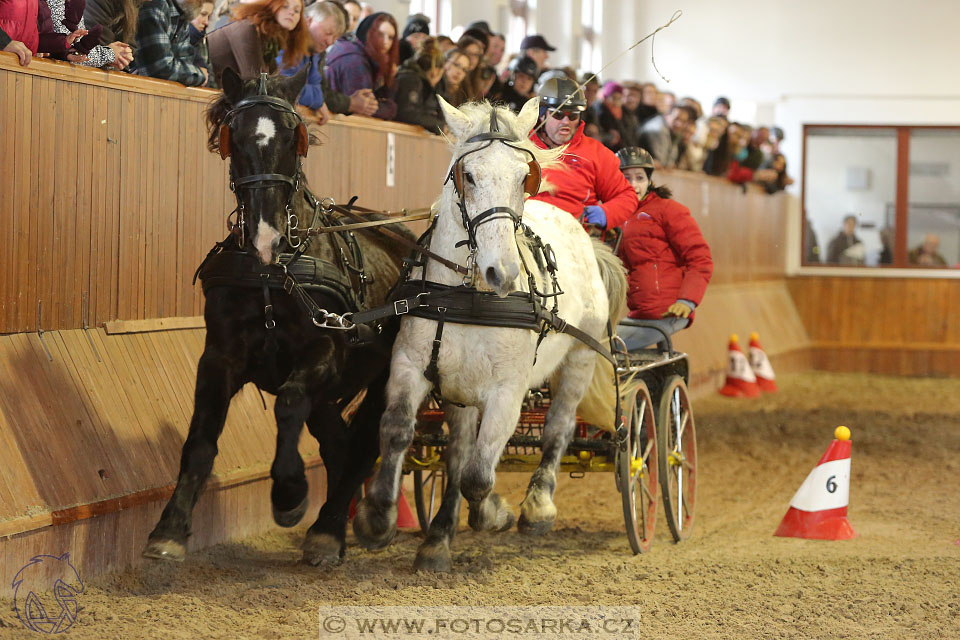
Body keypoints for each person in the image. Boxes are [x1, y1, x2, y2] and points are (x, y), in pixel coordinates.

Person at [614, 147, 713, 351]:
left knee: (610, 347)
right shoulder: (618, 216)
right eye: (626, 178)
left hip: (669, 312)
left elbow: (700, 259)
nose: (633, 185)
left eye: (639, 178)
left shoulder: (668, 210)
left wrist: (687, 301)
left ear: (649, 181)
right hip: (639, 313)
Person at [529, 76, 638, 230]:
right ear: (542, 115)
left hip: (574, 235)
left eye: (573, 116)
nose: (566, 122)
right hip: (525, 230)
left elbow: (627, 196)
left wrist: (606, 213)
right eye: (558, 115)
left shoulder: (596, 153)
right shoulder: (522, 147)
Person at [278, 0, 377, 118]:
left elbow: (317, 87)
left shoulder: (314, 52)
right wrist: (319, 102)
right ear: (309, 21)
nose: (330, 42)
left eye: (335, 38)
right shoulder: (287, 41)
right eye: (328, 33)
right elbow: (291, 88)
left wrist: (316, 99)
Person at [206, 0, 310, 81]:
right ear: (271, 6)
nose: (291, 12)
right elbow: (256, 80)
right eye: (285, 6)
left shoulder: (271, 42)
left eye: (297, 11)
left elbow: (271, 81)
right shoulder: (248, 28)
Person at [324, 11, 398, 120]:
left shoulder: (352, 51)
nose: (385, 42)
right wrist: (391, 108)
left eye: (391, 37)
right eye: (380, 34)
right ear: (368, 33)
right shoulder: (355, 61)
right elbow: (365, 109)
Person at [132, 0, 208, 85]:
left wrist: (191, 74)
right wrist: (200, 74)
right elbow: (161, 68)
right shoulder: (156, 6)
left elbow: (186, 63)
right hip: (133, 91)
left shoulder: (182, 13)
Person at [392, 36, 444, 134]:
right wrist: (438, 125)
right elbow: (407, 113)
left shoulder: (410, 75)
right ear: (436, 71)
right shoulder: (411, 80)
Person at [638, 103, 696, 169]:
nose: (679, 124)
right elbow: (663, 162)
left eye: (683, 121)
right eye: (676, 118)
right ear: (667, 115)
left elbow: (671, 161)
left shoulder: (672, 131)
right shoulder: (659, 129)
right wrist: (668, 164)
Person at [594, 80, 629, 152]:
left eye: (619, 98)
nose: (616, 102)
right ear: (606, 98)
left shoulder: (623, 113)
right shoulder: (600, 111)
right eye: (614, 98)